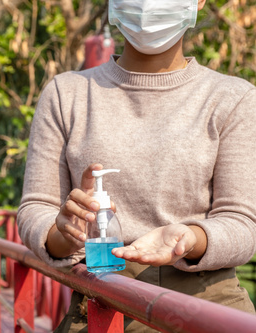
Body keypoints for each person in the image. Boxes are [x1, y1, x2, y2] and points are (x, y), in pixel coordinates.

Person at [17, 0, 256, 331]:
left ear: (199, 1)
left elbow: (243, 224)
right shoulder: (66, 94)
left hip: (206, 309)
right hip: (102, 305)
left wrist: (189, 238)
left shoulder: (234, 98)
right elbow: (35, 209)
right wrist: (66, 233)